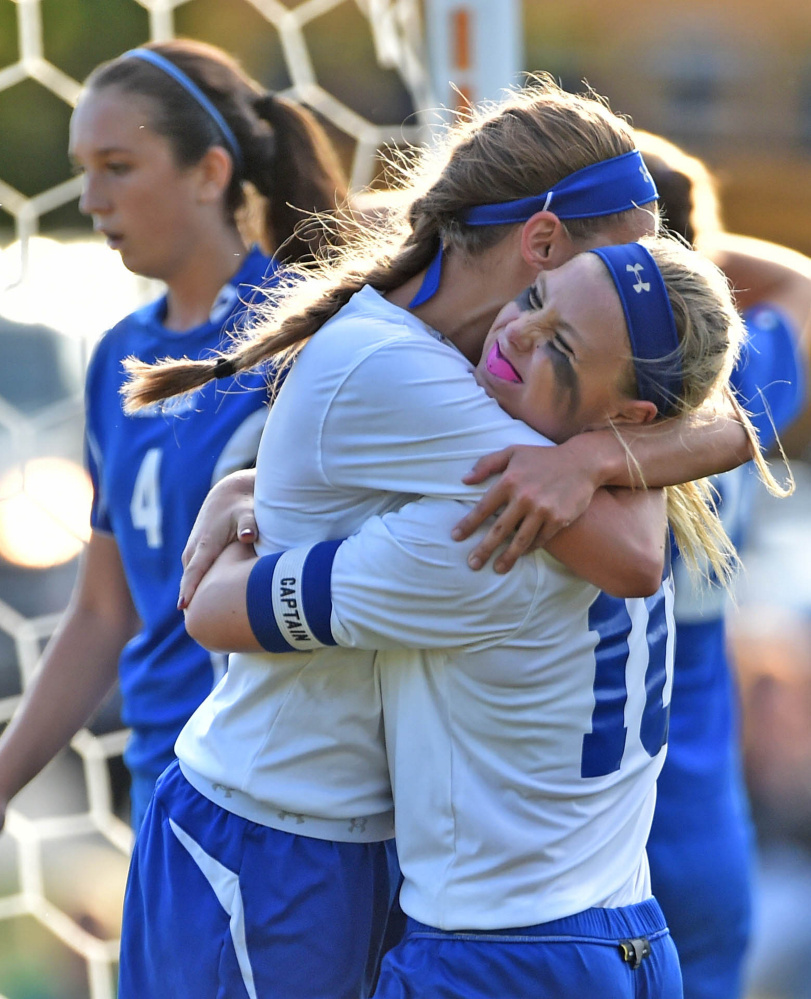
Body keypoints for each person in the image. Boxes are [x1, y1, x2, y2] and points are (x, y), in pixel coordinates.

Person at [120, 78, 759, 999]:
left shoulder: (508, 480)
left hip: (445, 905)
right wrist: (262, 488)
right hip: (271, 840)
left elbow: (635, 551)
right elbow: (718, 444)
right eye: (614, 262)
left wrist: (254, 498)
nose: (642, 280)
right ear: (541, 245)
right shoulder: (447, 389)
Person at [0, 39, 348, 832]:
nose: (90, 198)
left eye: (117, 166)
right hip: (161, 781)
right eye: (83, 167)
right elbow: (102, 611)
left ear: (209, 172)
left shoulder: (312, 330)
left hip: (281, 791)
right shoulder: (119, 353)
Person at [635, 130, 811, 999]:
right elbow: (801, 283)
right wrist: (691, 249)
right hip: (707, 822)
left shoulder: (593, 412)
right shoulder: (744, 375)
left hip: (600, 844)